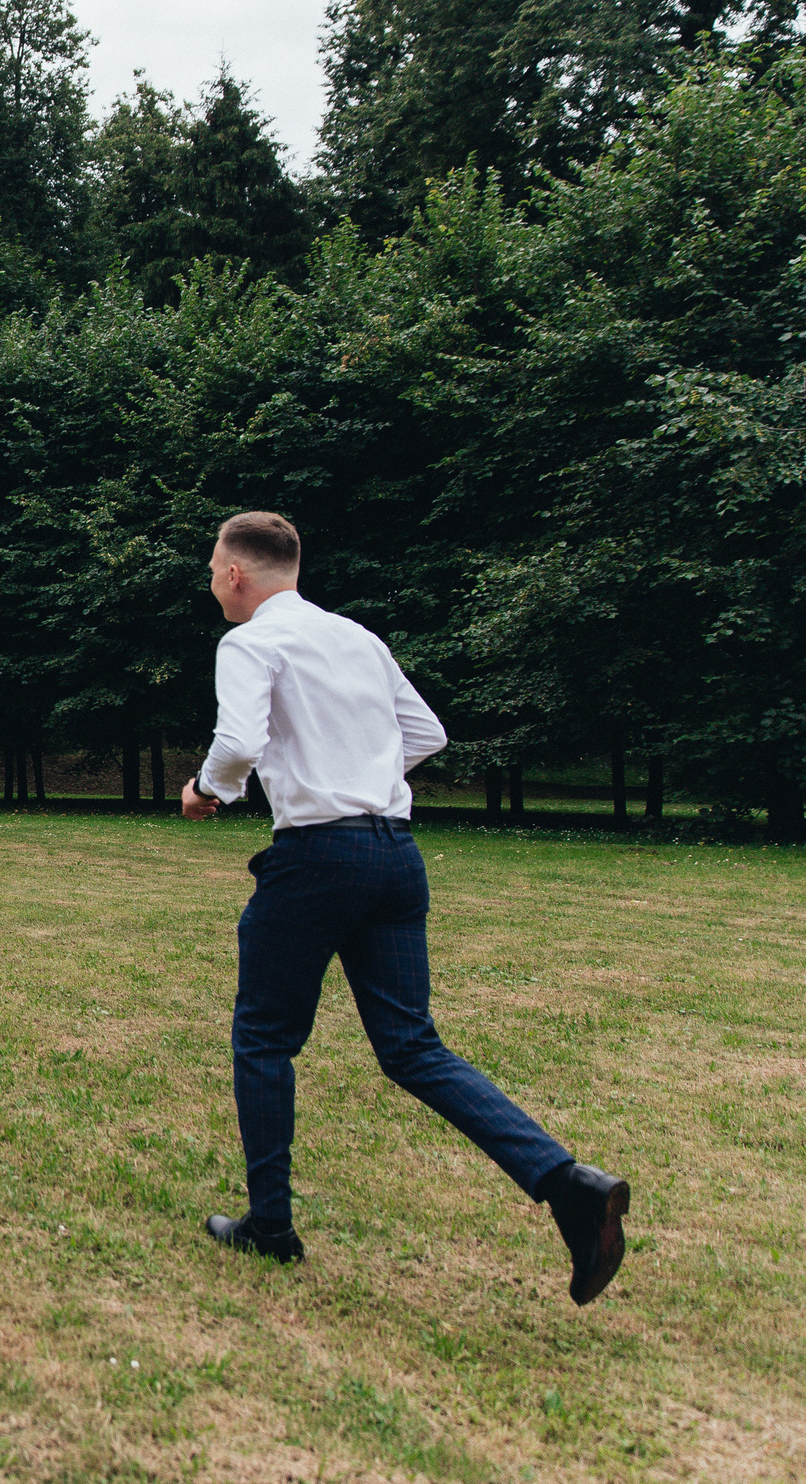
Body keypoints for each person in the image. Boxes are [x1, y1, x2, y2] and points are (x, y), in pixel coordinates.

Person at [181, 511, 630, 1305]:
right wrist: (363, 765)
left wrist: (207, 790)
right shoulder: (358, 638)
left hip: (317, 859)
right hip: (394, 854)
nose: (213, 578)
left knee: (264, 1037)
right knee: (413, 1047)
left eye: (214, 566)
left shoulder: (248, 642)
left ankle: (272, 1225)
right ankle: (568, 1183)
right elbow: (425, 730)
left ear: (238, 574)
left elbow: (240, 742)